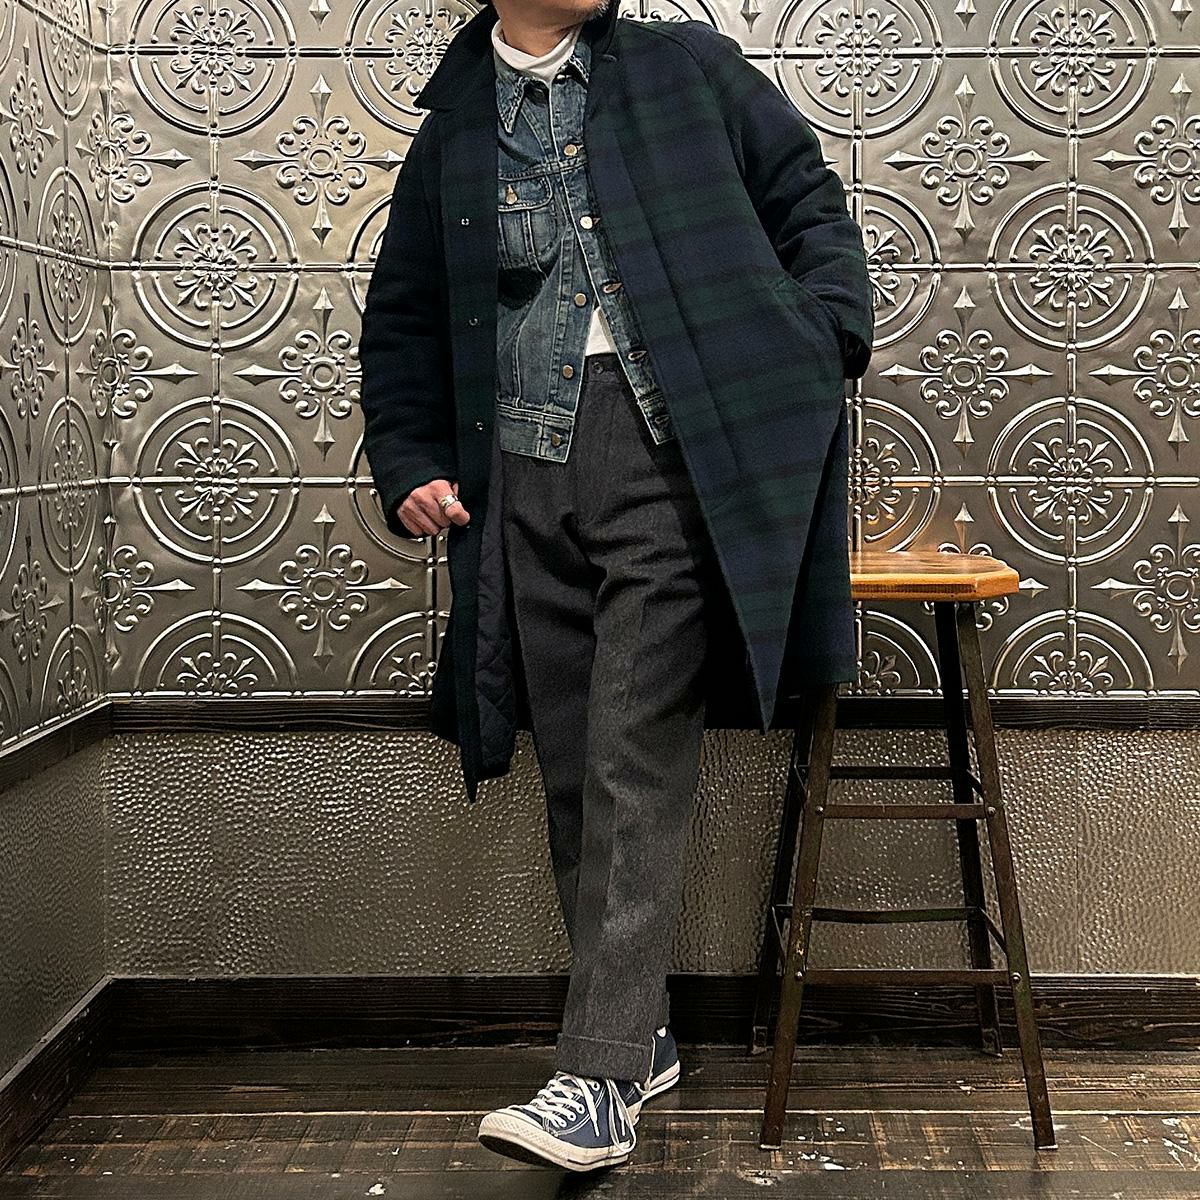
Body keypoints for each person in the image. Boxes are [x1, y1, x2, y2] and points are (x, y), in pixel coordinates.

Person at [358, 0, 873, 1174]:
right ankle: (640, 1030)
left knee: (635, 752)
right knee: (575, 765)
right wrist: (413, 461)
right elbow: (404, 315)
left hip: (671, 454)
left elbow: (807, 202)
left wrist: (827, 330)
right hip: (519, 465)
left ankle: (597, 1079)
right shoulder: (455, 132)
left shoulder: (688, 67)